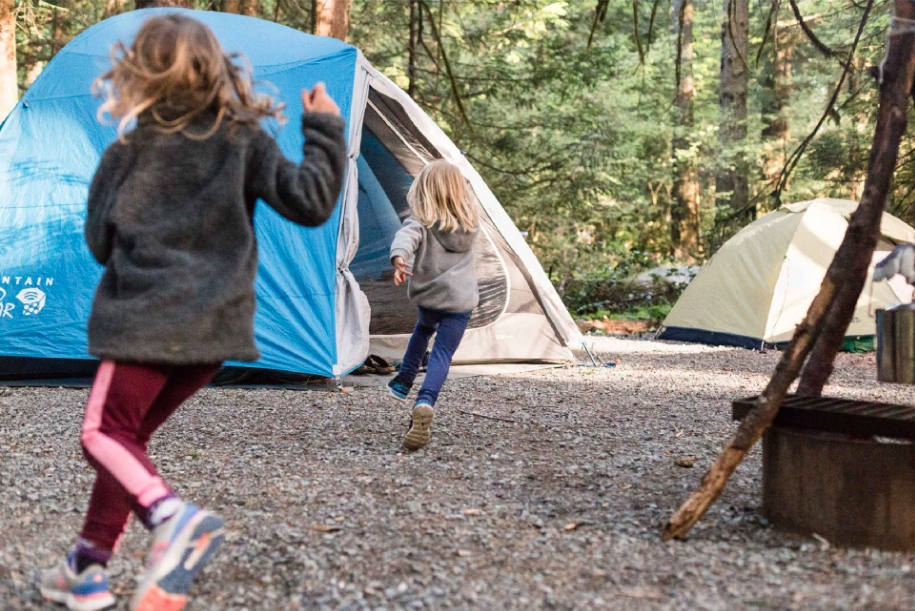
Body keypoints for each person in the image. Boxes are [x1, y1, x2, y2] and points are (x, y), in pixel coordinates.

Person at [38, 14, 346, 611]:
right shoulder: (245, 139)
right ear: (215, 71)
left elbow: (100, 241)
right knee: (128, 444)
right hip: (214, 333)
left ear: (140, 77)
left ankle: (172, 518)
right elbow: (309, 201)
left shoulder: (131, 147)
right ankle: (86, 569)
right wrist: (325, 127)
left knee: (101, 433)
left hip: (145, 324)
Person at [386, 160, 480, 451]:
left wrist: (399, 258)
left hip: (430, 296)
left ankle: (404, 380)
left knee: (424, 329)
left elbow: (406, 236)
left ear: (425, 190)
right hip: (460, 301)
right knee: (442, 354)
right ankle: (425, 400)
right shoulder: (469, 223)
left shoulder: (422, 220)